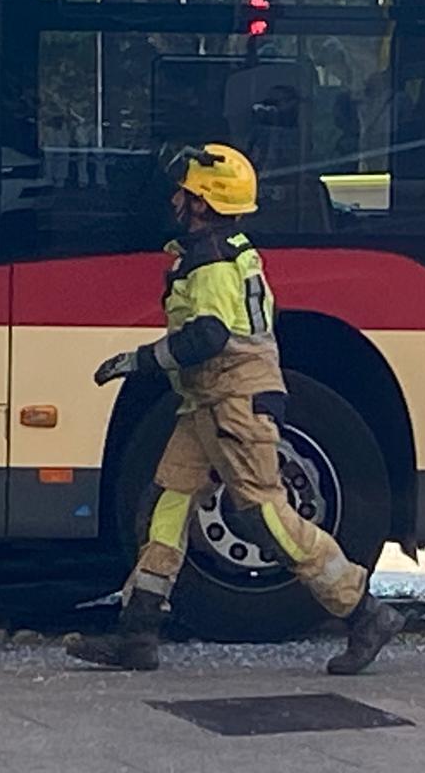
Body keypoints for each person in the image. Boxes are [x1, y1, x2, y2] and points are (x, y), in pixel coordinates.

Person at [66, 142, 404, 674]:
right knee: (166, 506)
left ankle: (364, 612)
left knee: (261, 514)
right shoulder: (224, 249)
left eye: (185, 190)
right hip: (208, 401)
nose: (175, 198)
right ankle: (138, 633)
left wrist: (139, 360)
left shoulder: (211, 262)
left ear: (202, 203)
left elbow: (209, 336)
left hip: (233, 402)